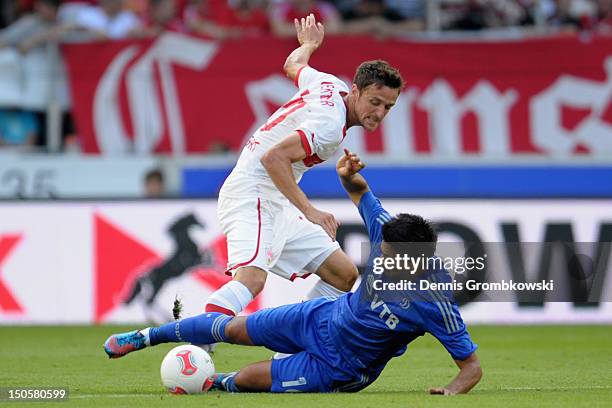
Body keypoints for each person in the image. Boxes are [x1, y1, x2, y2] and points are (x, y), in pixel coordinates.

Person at [104, 149, 483, 395]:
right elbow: (360, 192)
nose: (382, 258)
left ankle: (210, 383)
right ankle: (145, 336)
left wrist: (452, 390)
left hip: (340, 366)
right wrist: (347, 172)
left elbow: (471, 366)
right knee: (232, 328)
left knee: (251, 378)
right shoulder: (389, 233)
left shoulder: (435, 300)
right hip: (317, 317)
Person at [203, 13, 403, 322]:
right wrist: (310, 211)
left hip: (275, 198)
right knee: (252, 281)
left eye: (387, 107)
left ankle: (287, 356)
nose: (379, 112)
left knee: (343, 274)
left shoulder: (327, 83)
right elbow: (274, 158)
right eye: (374, 101)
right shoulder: (329, 126)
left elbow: (292, 65)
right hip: (252, 194)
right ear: (355, 91)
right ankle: (193, 348)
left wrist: (308, 45)